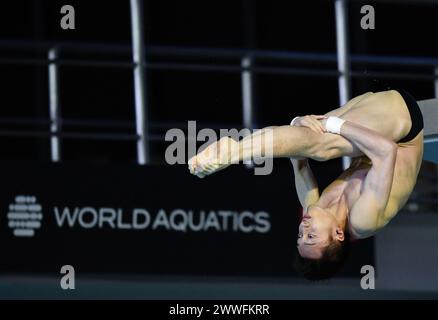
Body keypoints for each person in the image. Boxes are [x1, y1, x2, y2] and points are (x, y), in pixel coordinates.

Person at [188, 89, 424, 279]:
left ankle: (238, 150)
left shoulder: (315, 207)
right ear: (339, 234)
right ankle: (236, 151)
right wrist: (333, 125)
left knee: (316, 139)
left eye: (300, 236)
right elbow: (386, 151)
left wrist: (298, 121)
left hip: (372, 120)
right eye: (311, 237)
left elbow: (298, 160)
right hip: (403, 128)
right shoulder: (363, 220)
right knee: (323, 147)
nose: (304, 229)